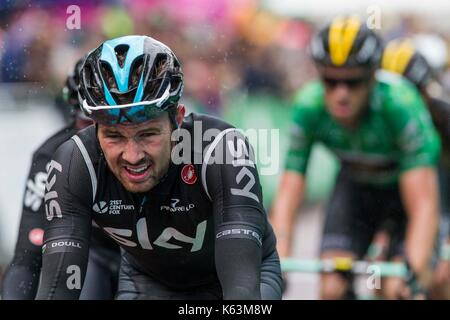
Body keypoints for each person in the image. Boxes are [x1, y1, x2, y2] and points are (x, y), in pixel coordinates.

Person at [35, 35, 283, 300]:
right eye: (114, 136)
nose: (132, 156)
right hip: (148, 283)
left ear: (177, 119)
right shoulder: (75, 161)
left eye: (147, 134)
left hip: (232, 283)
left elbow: (241, 291)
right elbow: (57, 288)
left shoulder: (222, 149)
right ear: (94, 128)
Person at [270, 16, 441, 299]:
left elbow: (423, 203)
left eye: (353, 82)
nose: (341, 94)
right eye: (330, 80)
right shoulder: (309, 106)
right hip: (355, 188)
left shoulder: (399, 105)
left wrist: (415, 271)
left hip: (405, 192)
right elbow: (290, 189)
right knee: (331, 289)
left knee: (398, 289)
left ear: (373, 76)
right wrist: (278, 261)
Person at [1, 58, 121, 300]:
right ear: (72, 116)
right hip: (91, 254)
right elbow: (27, 259)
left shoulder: (155, 150)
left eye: (110, 126)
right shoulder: (51, 156)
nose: (96, 138)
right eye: (87, 124)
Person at [381, 38, 450, 299]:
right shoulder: (380, 121)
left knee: (439, 280)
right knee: (391, 286)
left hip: (443, 203)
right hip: (402, 206)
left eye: (407, 93)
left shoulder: (444, 119)